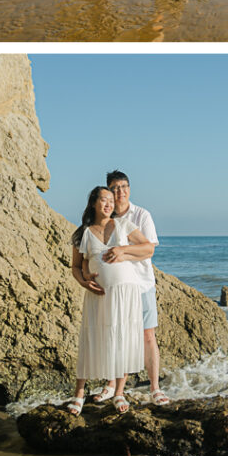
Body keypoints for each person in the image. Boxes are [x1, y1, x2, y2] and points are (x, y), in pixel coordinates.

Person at [66, 186, 155, 416]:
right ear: (94, 203)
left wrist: (122, 250)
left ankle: (119, 392)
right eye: (104, 200)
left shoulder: (124, 225)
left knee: (123, 339)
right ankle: (79, 393)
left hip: (127, 292)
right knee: (92, 338)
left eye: (111, 201)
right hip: (99, 294)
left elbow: (147, 248)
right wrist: (84, 282)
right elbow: (76, 267)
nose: (109, 204)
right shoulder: (83, 233)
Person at [91, 169, 169, 406]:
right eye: (115, 188)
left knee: (147, 336)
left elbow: (149, 249)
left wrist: (123, 252)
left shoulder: (142, 215)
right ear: (108, 192)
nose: (120, 192)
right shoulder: (104, 215)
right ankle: (111, 385)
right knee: (114, 336)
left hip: (142, 285)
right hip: (114, 287)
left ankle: (154, 388)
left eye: (124, 187)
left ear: (129, 189)